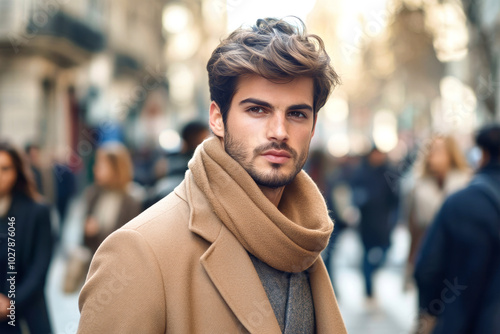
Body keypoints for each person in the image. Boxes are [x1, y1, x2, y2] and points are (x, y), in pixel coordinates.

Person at [78, 18, 347, 333]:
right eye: (257, 110)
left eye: (297, 114)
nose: (279, 132)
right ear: (218, 119)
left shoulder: (302, 239)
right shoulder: (137, 253)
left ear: (313, 127)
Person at [414, 124, 500, 333]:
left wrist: (430, 310)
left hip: (463, 319)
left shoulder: (460, 202)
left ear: (483, 154)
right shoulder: (420, 187)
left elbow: (427, 268)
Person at [0, 140, 54, 334]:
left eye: (5, 169)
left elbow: (40, 268)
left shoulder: (37, 211)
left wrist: (11, 302)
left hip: (27, 311)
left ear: (17, 172)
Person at [404, 135, 470, 288]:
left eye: (438, 150)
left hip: (458, 259)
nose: (432, 155)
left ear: (451, 153)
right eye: (430, 150)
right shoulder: (417, 187)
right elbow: (413, 229)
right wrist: (410, 266)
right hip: (427, 258)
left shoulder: (466, 183)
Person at [351, 146, 399, 301]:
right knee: (366, 255)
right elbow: (354, 193)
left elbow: (395, 199)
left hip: (383, 222)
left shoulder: (388, 173)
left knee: (385, 250)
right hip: (366, 222)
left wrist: (394, 220)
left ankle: (371, 273)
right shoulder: (361, 172)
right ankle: (369, 290)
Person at [83, 142, 142, 255]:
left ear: (116, 168)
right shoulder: (93, 194)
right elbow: (85, 242)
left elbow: (132, 240)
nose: (95, 169)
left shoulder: (133, 199)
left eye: (101, 165)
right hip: (97, 262)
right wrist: (89, 232)